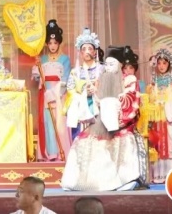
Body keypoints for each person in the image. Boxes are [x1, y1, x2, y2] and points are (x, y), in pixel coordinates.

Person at [61, 53, 143, 191]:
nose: (109, 68)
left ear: (120, 65)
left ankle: (124, 180)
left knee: (123, 140)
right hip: (100, 122)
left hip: (121, 124)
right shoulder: (101, 80)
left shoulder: (129, 80)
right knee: (82, 140)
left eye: (112, 64)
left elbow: (131, 101)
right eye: (107, 65)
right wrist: (91, 95)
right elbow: (95, 103)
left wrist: (114, 102)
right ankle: (76, 181)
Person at [31, 20, 71, 161]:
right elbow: (37, 77)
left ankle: (62, 152)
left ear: (59, 43)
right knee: (48, 123)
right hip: (45, 93)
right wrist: (37, 68)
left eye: (55, 43)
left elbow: (66, 79)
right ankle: (50, 153)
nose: (53, 46)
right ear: (47, 44)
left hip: (59, 95)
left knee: (59, 124)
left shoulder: (65, 59)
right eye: (50, 43)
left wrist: (54, 93)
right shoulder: (42, 58)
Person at [146, 47, 172, 183]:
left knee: (171, 145)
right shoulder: (152, 84)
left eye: (164, 63)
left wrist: (171, 113)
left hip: (169, 119)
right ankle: (158, 176)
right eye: (159, 63)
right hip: (157, 120)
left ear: (169, 64)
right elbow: (149, 102)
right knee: (157, 146)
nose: (161, 66)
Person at [64, 28, 103, 138]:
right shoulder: (75, 72)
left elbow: (108, 89)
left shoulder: (102, 70)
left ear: (94, 52)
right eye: (84, 49)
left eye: (90, 48)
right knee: (80, 141)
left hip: (99, 110)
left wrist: (96, 91)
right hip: (80, 112)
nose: (87, 51)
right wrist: (83, 94)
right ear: (80, 53)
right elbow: (70, 90)